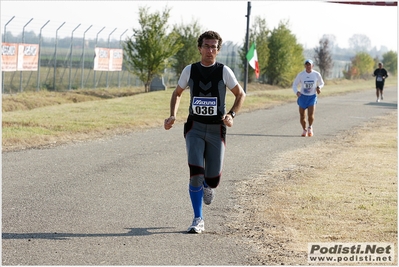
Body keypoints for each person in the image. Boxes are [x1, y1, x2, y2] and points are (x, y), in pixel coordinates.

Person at [164, 31, 246, 234]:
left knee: (213, 178)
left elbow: (240, 94)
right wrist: (173, 115)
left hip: (217, 129)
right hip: (195, 128)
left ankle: (209, 186)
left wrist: (231, 115)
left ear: (218, 50)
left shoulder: (224, 71)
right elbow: (177, 93)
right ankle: (198, 218)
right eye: (206, 46)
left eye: (214, 47)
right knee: (195, 174)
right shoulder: (190, 70)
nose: (210, 50)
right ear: (199, 48)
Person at [292, 59, 324, 137]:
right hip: (302, 97)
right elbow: (294, 85)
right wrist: (297, 92)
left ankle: (310, 127)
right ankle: (304, 130)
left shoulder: (316, 74)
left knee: (310, 114)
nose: (308, 66)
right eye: (306, 65)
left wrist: (319, 87)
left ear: (312, 66)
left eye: (309, 65)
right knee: (302, 115)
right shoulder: (301, 75)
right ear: (305, 66)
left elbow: (322, 83)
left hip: (312, 96)